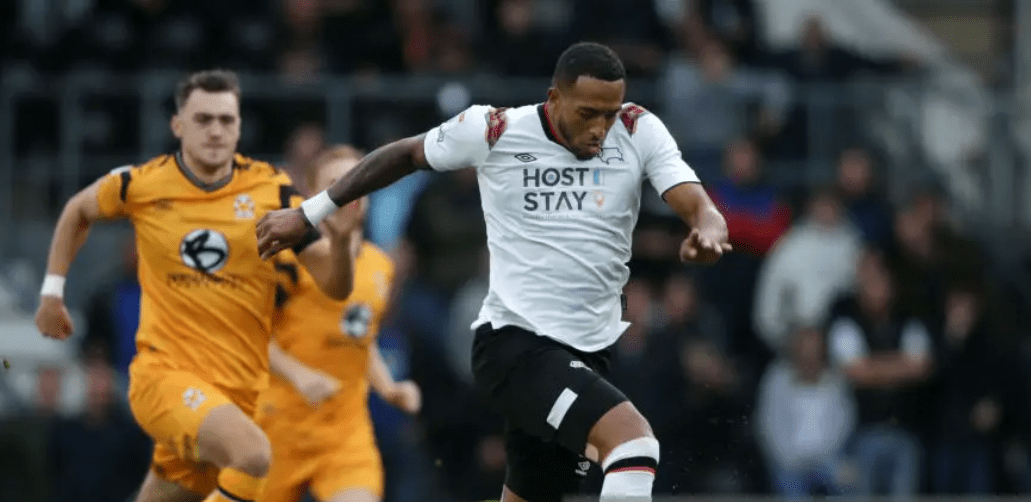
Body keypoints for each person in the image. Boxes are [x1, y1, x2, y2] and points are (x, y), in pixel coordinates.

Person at [257, 42, 731, 502]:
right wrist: (308, 215)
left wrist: (708, 229)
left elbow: (695, 201)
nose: (600, 130)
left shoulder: (638, 128)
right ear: (554, 99)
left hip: (588, 352)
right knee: (634, 445)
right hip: (516, 349)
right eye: (587, 114)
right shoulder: (495, 130)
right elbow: (402, 154)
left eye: (609, 114)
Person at [35, 69, 359, 502]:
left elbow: (334, 287)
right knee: (255, 456)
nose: (215, 131)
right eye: (203, 119)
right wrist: (52, 292)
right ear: (178, 125)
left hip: (234, 395)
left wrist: (339, 242)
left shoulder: (274, 191)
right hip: (164, 381)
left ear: (240, 126)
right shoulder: (143, 183)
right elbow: (78, 209)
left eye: (226, 120)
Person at [260, 145, 422, 502]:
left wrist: (388, 387)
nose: (350, 192)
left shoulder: (381, 265)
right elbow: (250, 335)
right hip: (277, 429)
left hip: (345, 436)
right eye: (336, 183)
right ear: (315, 196)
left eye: (357, 181)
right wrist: (298, 374)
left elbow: (361, 338)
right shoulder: (289, 258)